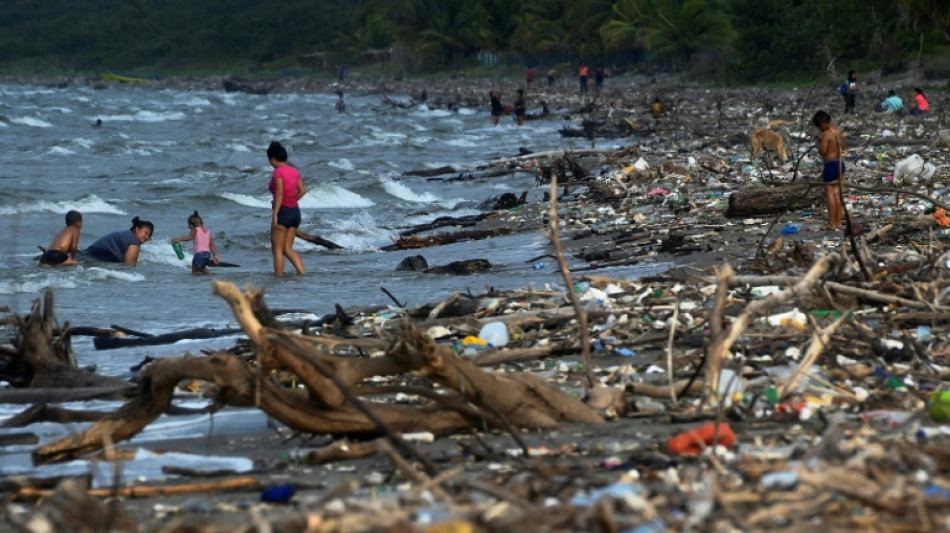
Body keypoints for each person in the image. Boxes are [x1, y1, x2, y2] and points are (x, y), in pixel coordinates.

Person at [267, 141, 306, 277]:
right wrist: (290, 201)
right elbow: (302, 191)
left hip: (283, 212)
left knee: (277, 249)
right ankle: (302, 274)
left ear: (272, 158)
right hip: (295, 212)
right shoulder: (294, 171)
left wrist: (275, 215)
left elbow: (279, 193)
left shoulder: (278, 172)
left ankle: (278, 278)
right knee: (287, 248)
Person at [813, 110, 846, 230]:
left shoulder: (827, 134)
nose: (820, 130)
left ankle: (831, 223)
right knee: (837, 195)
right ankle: (838, 223)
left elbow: (823, 151)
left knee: (830, 195)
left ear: (823, 123)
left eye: (820, 127)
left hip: (830, 165)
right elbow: (843, 146)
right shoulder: (839, 131)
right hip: (840, 163)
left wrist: (818, 143)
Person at [84, 216, 153, 266]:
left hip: (90, 251)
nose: (147, 237)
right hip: (103, 256)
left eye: (149, 235)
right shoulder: (134, 242)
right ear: (137, 229)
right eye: (146, 233)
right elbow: (129, 267)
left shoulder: (126, 234)